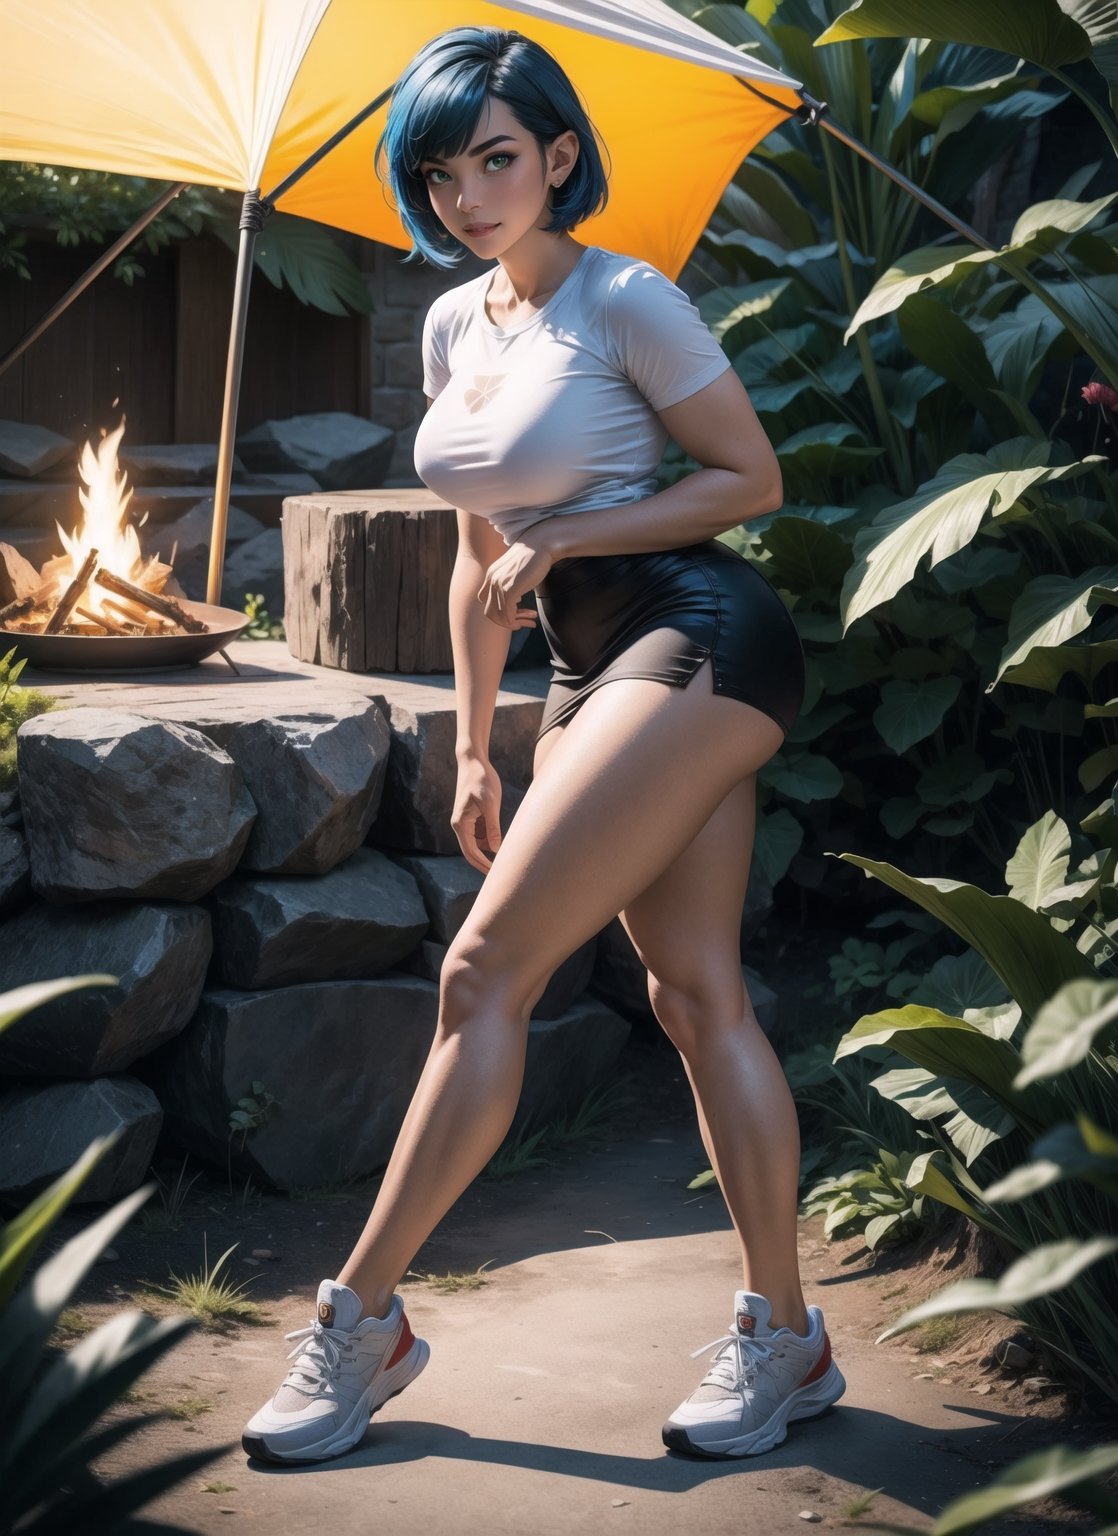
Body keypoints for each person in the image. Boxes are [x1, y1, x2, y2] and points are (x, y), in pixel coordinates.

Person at [243, 24, 845, 1468]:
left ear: (560, 157)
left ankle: (361, 1317)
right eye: (442, 171)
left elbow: (746, 479)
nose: (468, 193)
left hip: (697, 630)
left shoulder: (627, 300)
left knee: (482, 967)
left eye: (497, 159)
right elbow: (471, 556)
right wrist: (471, 742)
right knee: (694, 990)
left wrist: (572, 531)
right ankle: (793, 1341)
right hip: (584, 660)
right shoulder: (459, 324)